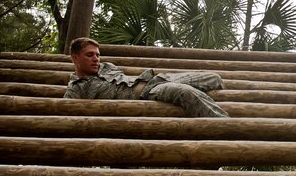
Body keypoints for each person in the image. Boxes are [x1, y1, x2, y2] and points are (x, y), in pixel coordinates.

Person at [64, 37, 230, 117]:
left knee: (213, 77)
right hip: (148, 94)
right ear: (75, 58)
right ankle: (227, 128)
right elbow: (65, 112)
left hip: (155, 80)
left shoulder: (107, 67)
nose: (96, 59)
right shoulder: (76, 88)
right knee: (185, 92)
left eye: (97, 55)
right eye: (89, 55)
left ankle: (218, 110)